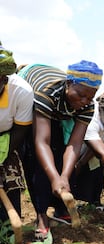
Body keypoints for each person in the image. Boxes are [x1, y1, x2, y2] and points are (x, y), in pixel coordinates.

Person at [19, 60, 103, 239]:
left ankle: (60, 207)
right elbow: (42, 141)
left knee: (61, 151)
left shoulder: (88, 104)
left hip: (59, 111)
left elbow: (74, 143)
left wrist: (64, 176)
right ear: (69, 83)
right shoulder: (47, 92)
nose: (84, 101)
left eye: (90, 97)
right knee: (36, 160)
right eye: (80, 95)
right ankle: (41, 214)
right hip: (33, 96)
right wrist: (54, 177)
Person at [0, 45, 34, 223]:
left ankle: (7, 231)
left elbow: (21, 129)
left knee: (9, 180)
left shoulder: (21, 91)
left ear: (4, 80)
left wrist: (1, 157)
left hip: (7, 138)